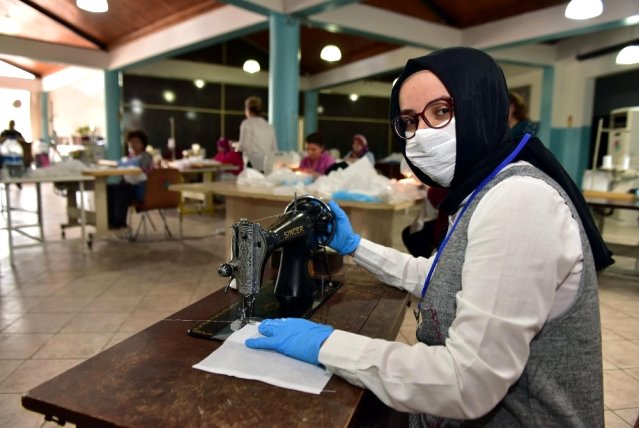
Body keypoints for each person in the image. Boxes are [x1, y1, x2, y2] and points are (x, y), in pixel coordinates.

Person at [244, 47, 613, 426]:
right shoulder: (481, 190)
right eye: (408, 121)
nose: (421, 136)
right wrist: (356, 246)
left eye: (441, 111)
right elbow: (442, 277)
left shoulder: (520, 201)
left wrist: (326, 344)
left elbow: (467, 382)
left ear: (482, 108)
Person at [107, 130, 154, 229]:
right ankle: (110, 220)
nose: (133, 144)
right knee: (110, 189)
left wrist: (123, 164)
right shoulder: (129, 157)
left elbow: (139, 168)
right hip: (130, 186)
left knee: (122, 189)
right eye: (131, 142)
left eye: (136, 141)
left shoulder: (146, 156)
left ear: (143, 144)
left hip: (143, 189)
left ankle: (120, 222)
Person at [401, 186, 448, 258]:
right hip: (442, 224)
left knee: (411, 235)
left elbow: (433, 198)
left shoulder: (441, 190)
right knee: (409, 233)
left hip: (445, 231)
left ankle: (427, 262)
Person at [237, 96, 278, 173]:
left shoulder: (247, 124)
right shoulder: (269, 126)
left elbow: (244, 145)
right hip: (267, 164)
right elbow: (274, 149)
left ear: (248, 110)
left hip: (252, 163)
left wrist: (236, 146)